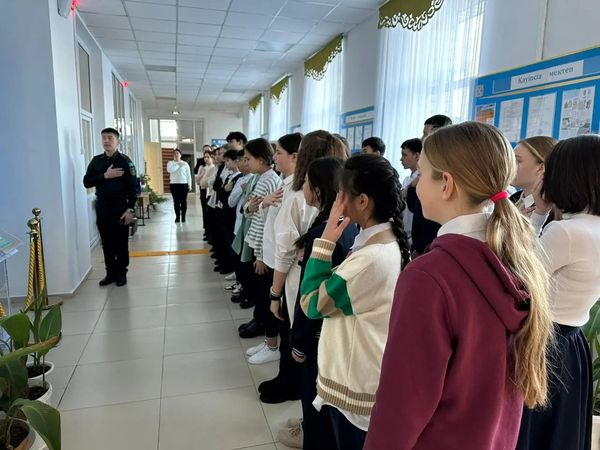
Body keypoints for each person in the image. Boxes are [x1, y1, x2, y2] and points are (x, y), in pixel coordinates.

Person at [365, 122, 554, 450]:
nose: (416, 185)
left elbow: (402, 404)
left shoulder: (428, 276)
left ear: (447, 184)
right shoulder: (516, 256)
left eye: (423, 174)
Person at [300, 154, 411, 450]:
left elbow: (312, 303)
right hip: (362, 374)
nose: (337, 200)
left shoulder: (370, 259)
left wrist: (324, 242)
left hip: (355, 389)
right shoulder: (383, 240)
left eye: (341, 193)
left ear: (362, 201)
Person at [516, 134, 600, 450]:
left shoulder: (566, 232)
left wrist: (539, 215)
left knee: (531, 434)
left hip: (542, 345)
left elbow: (517, 280)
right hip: (572, 346)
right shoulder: (590, 227)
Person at [260, 131, 347, 406]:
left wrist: (274, 294)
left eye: (280, 152)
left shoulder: (298, 195)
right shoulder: (343, 196)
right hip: (324, 285)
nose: (276, 157)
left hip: (301, 278)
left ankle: (298, 389)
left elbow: (285, 251)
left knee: (301, 336)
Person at [285, 157, 358, 450]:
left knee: (315, 401)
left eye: (305, 182)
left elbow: (312, 296)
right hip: (332, 333)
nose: (302, 187)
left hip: (318, 335)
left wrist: (299, 342)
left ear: (317, 190)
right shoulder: (347, 225)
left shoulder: (324, 233)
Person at [245, 133, 303, 365]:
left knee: (276, 307)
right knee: (268, 303)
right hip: (271, 256)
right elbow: (267, 221)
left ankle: (273, 346)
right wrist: (264, 204)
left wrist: (261, 205)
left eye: (278, 153)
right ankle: (270, 343)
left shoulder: (296, 189)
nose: (274, 157)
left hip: (280, 260)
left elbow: (285, 235)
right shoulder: (284, 184)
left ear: (295, 156)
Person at [83, 127, 137, 287]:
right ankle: (110, 273)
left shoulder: (125, 161)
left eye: (110, 138)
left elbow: (133, 187)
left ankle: (121, 273)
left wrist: (130, 209)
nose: (106, 141)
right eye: (104, 138)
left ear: (118, 141)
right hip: (103, 206)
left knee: (121, 242)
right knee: (106, 242)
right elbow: (87, 182)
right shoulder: (96, 161)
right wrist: (105, 176)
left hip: (120, 206)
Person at [407, 114, 453, 256]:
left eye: (425, 134)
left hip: (433, 246)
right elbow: (415, 207)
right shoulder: (428, 165)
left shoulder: (446, 171)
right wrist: (412, 187)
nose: (422, 139)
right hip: (421, 246)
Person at [511, 136, 556, 217]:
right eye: (511, 160)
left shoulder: (553, 212)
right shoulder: (513, 198)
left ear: (541, 168)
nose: (510, 166)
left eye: (518, 161)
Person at [399, 138, 422, 242]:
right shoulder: (407, 180)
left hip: (416, 234)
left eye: (404, 155)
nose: (401, 159)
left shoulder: (423, 180)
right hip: (405, 233)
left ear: (416, 156)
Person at [167, 148, 192, 223]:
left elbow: (188, 175)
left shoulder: (185, 164)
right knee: (176, 202)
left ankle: (183, 217)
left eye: (177, 153)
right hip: (174, 185)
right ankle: (177, 217)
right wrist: (178, 165)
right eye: (174, 153)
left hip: (183, 185)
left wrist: (190, 185)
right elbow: (170, 170)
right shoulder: (170, 163)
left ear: (180, 155)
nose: (176, 154)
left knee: (183, 202)